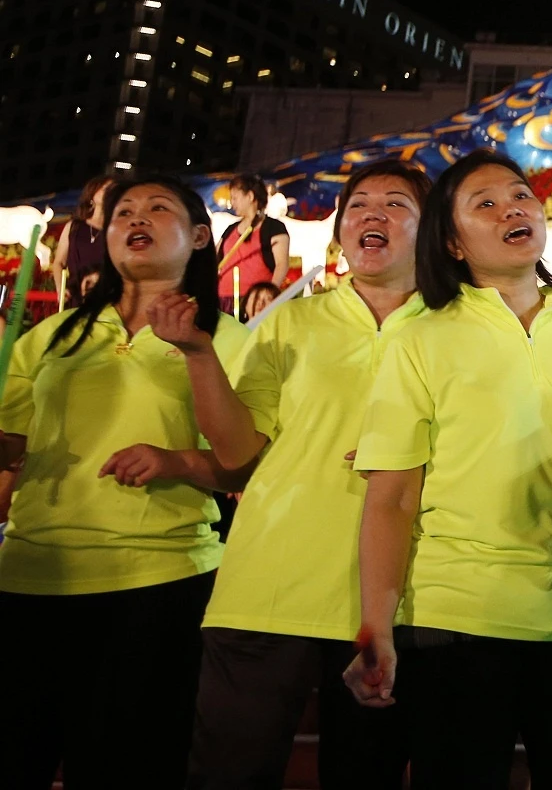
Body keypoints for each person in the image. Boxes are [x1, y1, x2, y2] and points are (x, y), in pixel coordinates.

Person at [342, 150, 552, 785]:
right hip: (456, 621)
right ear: (451, 241)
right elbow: (391, 497)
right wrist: (376, 625)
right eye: (487, 204)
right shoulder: (420, 339)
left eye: (521, 195)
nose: (513, 209)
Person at [178, 159, 431, 790]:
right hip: (269, 590)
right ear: (341, 229)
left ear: (432, 233)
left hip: (401, 604)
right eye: (360, 205)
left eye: (396, 204)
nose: (373, 214)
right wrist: (199, 354)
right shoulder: (292, 322)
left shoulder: (459, 331)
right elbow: (237, 452)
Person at [0, 175, 250, 789]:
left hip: (156, 583)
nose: (135, 218)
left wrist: (173, 461)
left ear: (198, 237)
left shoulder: (232, 340)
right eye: (122, 213)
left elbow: (242, 464)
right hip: (31, 575)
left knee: (128, 768)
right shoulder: (52, 336)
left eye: (157, 208)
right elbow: (11, 455)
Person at [218, 174, 290, 315]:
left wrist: (266, 297)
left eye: (235, 198)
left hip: (254, 304)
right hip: (223, 302)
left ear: (250, 196)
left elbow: (282, 264)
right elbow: (214, 259)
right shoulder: (230, 230)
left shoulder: (273, 228)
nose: (232, 203)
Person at [49, 173, 112, 305]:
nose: (110, 193)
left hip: (105, 298)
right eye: (105, 189)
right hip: (75, 296)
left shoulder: (115, 230)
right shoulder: (74, 227)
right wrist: (61, 288)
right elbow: (59, 262)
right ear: (92, 195)